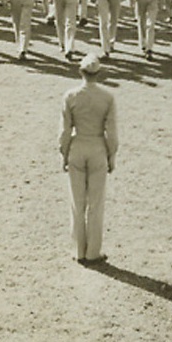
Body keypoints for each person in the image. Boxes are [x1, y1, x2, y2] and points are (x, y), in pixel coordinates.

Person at [59, 53, 118, 264]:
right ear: (99, 73)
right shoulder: (107, 97)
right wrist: (111, 156)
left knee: (77, 201)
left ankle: (78, 249)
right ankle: (93, 251)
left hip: (77, 146)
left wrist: (64, 153)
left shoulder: (70, 96)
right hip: (97, 148)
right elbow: (111, 132)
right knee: (96, 202)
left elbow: (65, 131)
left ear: (80, 72)